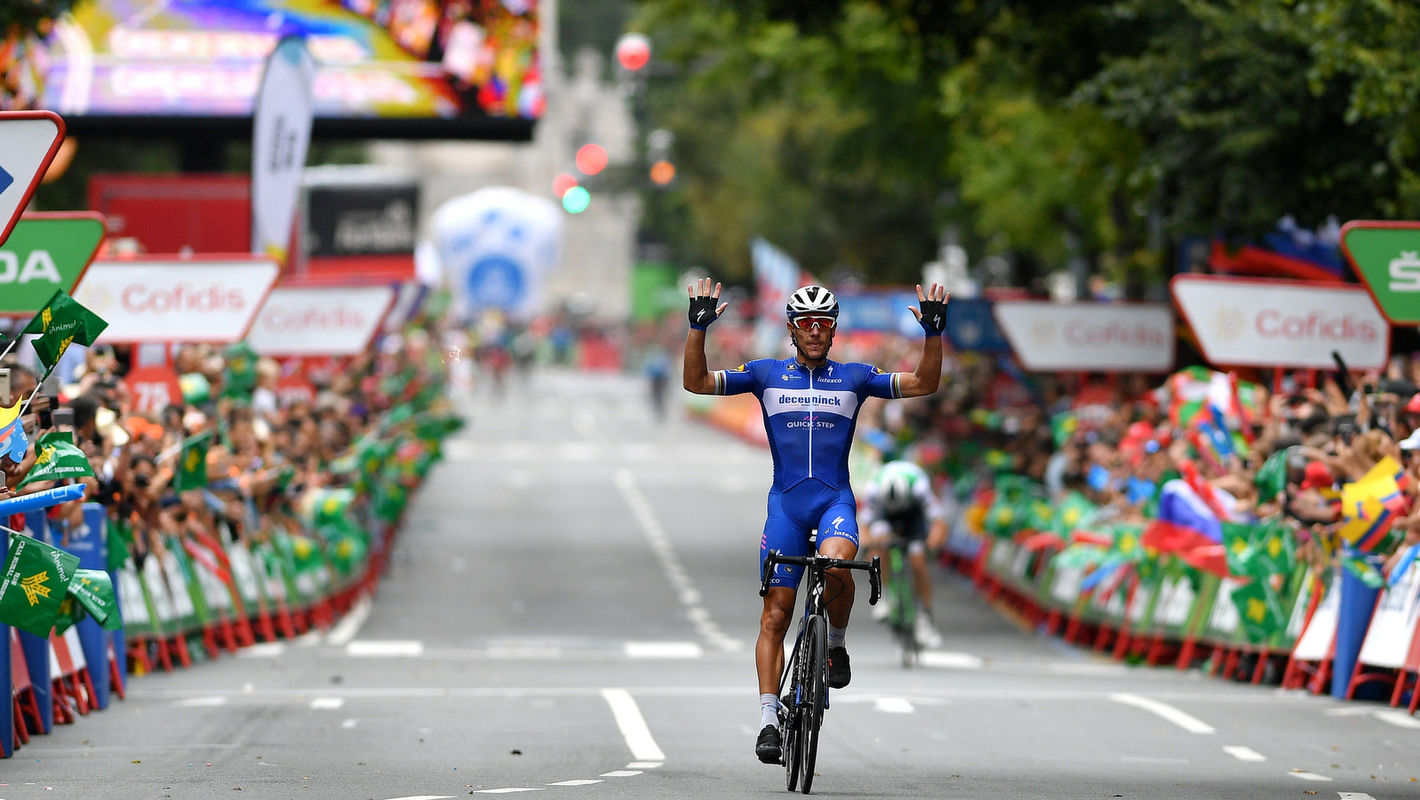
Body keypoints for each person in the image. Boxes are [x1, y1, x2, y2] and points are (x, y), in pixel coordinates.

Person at [681, 277, 949, 764]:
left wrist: (933, 335)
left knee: (838, 564)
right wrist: (697, 330)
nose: (815, 330)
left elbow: (923, 384)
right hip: (786, 505)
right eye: (806, 323)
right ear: (792, 329)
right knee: (776, 615)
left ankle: (836, 645)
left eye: (824, 323)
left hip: (834, 503)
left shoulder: (855, 377)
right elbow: (696, 383)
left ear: (833, 330)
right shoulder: (763, 373)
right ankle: (768, 719)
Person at [860, 459, 948, 647]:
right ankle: (884, 597)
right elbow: (864, 527)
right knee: (879, 546)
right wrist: (869, 544)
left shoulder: (919, 487)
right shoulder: (874, 489)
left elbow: (938, 522)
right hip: (884, 515)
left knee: (918, 563)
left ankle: (925, 616)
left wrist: (932, 544)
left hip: (913, 515)